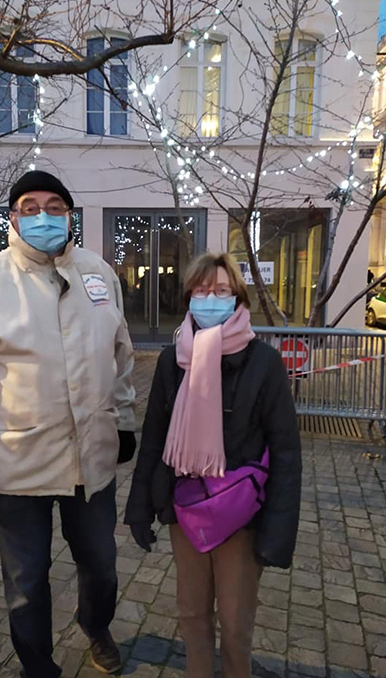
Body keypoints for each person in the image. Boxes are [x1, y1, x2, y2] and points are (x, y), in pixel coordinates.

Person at [0, 170, 137, 678]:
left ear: (70, 215)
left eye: (54, 206)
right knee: (26, 583)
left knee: (101, 564)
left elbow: (120, 355)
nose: (43, 216)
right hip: (18, 464)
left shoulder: (98, 272)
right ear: (13, 216)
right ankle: (38, 666)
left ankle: (96, 625)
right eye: (30, 207)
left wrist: (123, 420)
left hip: (92, 458)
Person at [125, 252, 301, 678]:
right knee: (192, 615)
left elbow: (286, 450)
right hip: (187, 509)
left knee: (236, 625)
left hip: (241, 516)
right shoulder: (173, 360)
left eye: (221, 290)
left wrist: (278, 532)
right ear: (189, 297)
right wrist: (139, 507)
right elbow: (155, 437)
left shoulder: (264, 363)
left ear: (237, 298)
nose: (210, 299)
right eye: (202, 290)